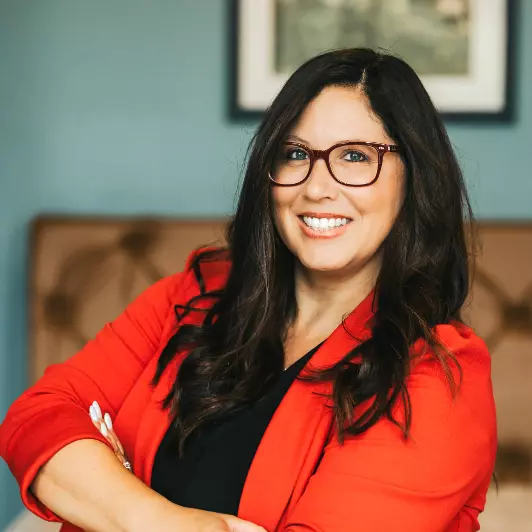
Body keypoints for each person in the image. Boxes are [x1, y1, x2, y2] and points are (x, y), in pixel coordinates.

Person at [0, 47, 497, 532]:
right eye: (295, 153)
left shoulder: (436, 372)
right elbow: (37, 418)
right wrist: (160, 521)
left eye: (354, 156)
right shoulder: (194, 295)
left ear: (413, 177)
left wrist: (101, 492)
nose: (316, 187)